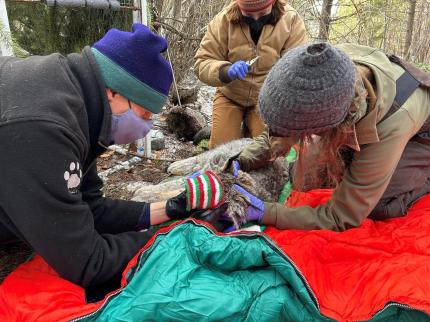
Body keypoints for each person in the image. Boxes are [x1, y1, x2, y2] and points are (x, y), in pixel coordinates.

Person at [0, 24, 224, 290]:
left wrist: (171, 209)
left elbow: (91, 207)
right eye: (143, 115)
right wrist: (177, 234)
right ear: (113, 91)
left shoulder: (80, 101)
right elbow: (89, 263)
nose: (147, 127)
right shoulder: (45, 129)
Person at [225, 42, 430, 232]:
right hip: (361, 115)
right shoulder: (320, 69)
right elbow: (281, 125)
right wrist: (241, 159)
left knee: (379, 206)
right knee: (302, 179)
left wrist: (265, 212)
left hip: (417, 135)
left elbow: (341, 216)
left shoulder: (392, 124)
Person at [193, 0, 307, 149]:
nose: (255, 19)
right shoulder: (224, 20)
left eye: (262, 14)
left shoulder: (290, 20)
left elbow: (298, 65)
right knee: (220, 152)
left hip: (268, 98)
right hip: (230, 94)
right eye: (248, 14)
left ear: (273, 4)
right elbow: (202, 61)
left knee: (270, 150)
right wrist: (225, 71)